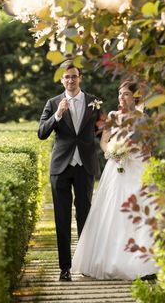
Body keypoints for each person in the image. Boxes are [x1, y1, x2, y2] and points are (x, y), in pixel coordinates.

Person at [72, 80, 158, 280]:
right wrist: (112, 152)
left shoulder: (144, 119)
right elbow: (103, 141)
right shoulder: (112, 116)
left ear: (135, 97)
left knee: (140, 211)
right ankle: (102, 260)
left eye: (126, 94)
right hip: (117, 167)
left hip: (138, 167)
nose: (121, 98)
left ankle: (143, 265)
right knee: (113, 210)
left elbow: (149, 146)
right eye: (120, 94)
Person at [38, 62, 102, 282]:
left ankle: (85, 264)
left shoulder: (94, 102)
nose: (71, 80)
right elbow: (41, 133)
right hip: (60, 168)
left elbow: (102, 131)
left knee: (85, 216)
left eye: (74, 76)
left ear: (80, 78)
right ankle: (65, 268)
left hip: (84, 166)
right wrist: (57, 115)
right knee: (62, 218)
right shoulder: (53, 103)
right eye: (67, 77)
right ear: (62, 80)